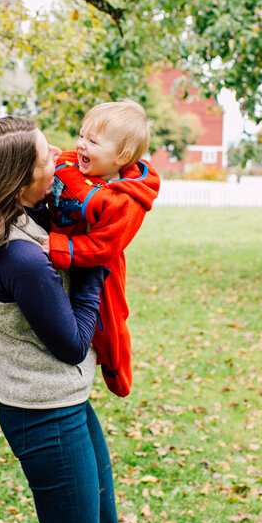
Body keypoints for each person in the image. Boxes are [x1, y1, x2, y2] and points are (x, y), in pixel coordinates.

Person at [0, 116, 117, 523]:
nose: (59, 159)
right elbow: (73, 345)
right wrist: (93, 262)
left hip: (63, 400)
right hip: (46, 414)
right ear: (18, 183)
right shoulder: (21, 259)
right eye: (47, 157)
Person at [45, 100, 160, 397]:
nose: (81, 145)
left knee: (109, 319)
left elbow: (104, 247)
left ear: (120, 156)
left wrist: (57, 245)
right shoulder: (73, 164)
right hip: (67, 244)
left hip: (100, 265)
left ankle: (116, 370)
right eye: (82, 135)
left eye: (92, 141)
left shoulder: (127, 201)